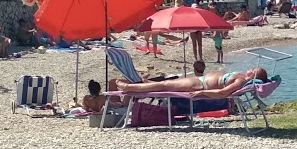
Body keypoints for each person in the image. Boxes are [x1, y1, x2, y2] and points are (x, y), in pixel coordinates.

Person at [110, 66, 267, 98]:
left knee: (165, 85)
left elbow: (223, 92)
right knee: (170, 82)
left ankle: (130, 87)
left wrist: (202, 92)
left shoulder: (240, 81)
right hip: (200, 80)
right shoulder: (241, 76)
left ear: (254, 74)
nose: (251, 67)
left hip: (200, 85)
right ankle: (147, 83)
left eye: (255, 68)